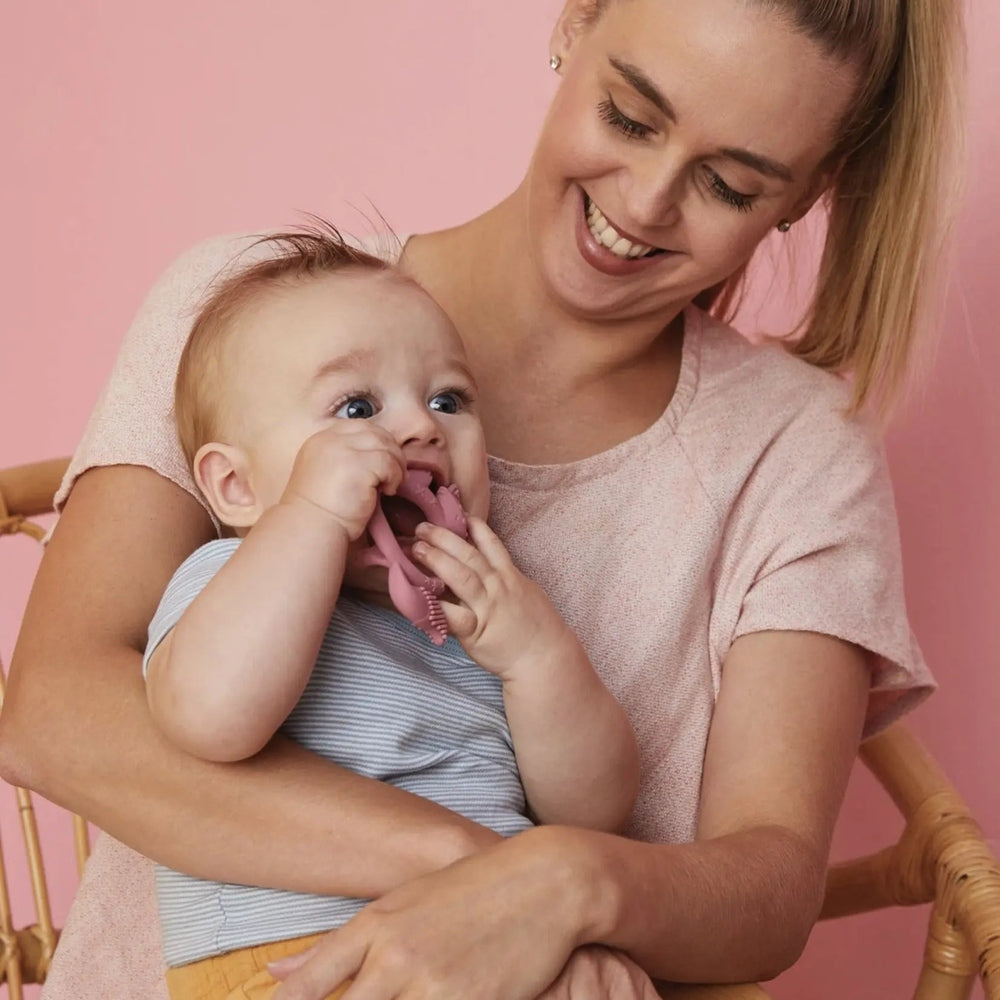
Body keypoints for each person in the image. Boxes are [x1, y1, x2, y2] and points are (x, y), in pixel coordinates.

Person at [0, 1, 964, 998]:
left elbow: (765, 885)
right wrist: (490, 877)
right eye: (630, 117)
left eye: (725, 183)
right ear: (572, 23)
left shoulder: (799, 455)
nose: (642, 202)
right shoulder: (251, 315)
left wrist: (574, 880)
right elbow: (54, 713)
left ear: (807, 194)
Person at [143, 226, 638, 998]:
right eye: (355, 406)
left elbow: (595, 813)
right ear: (237, 488)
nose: (419, 428)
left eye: (448, 399)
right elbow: (208, 718)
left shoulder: (485, 616)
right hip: (296, 963)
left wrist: (539, 657)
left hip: (490, 946)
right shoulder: (229, 578)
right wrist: (309, 516)